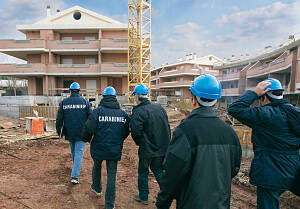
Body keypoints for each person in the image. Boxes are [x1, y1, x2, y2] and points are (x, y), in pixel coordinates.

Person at [156, 74, 242, 209]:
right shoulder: (229, 132)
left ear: (194, 99)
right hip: (220, 204)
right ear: (216, 100)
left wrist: (163, 202)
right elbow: (234, 168)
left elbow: (173, 172)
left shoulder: (185, 130)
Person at [228, 78, 300, 209]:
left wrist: (254, 92)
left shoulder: (265, 114)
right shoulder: (295, 112)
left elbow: (234, 109)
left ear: (265, 97)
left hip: (270, 170)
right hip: (293, 167)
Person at [82, 86, 130, 209]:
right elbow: (126, 132)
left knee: (97, 166)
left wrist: (87, 139)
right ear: (115, 98)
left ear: (104, 97)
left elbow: (88, 128)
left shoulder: (97, 112)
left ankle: (97, 188)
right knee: (112, 176)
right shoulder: (123, 115)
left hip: (98, 147)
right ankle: (110, 204)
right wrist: (118, 140)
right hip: (114, 149)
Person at [130, 84, 171, 205]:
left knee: (143, 172)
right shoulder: (159, 108)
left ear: (137, 97)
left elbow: (135, 132)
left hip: (146, 150)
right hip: (162, 148)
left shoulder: (138, 111)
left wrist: (140, 143)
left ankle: (143, 197)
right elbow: (167, 127)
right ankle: (167, 193)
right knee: (158, 169)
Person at [56, 82, 91, 184]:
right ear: (79, 91)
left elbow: (59, 119)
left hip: (69, 133)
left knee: (74, 153)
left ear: (70, 91)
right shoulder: (85, 102)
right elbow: (91, 118)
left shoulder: (64, 102)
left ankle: (75, 170)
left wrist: (59, 132)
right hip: (82, 133)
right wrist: (90, 132)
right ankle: (75, 176)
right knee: (78, 154)